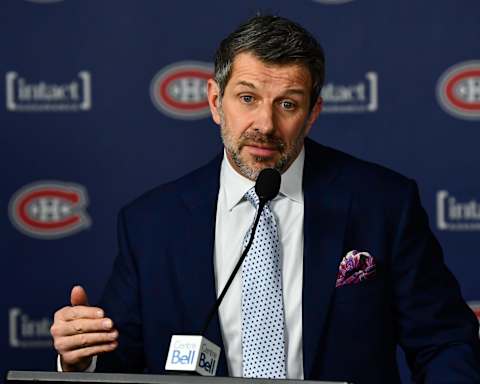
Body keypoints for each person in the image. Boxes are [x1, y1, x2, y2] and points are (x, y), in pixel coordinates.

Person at [50, 15, 480, 383]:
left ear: (312, 113)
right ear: (216, 102)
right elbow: (119, 362)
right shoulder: (150, 223)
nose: (265, 124)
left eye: (287, 104)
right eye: (248, 98)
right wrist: (82, 357)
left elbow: (444, 343)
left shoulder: (384, 203)